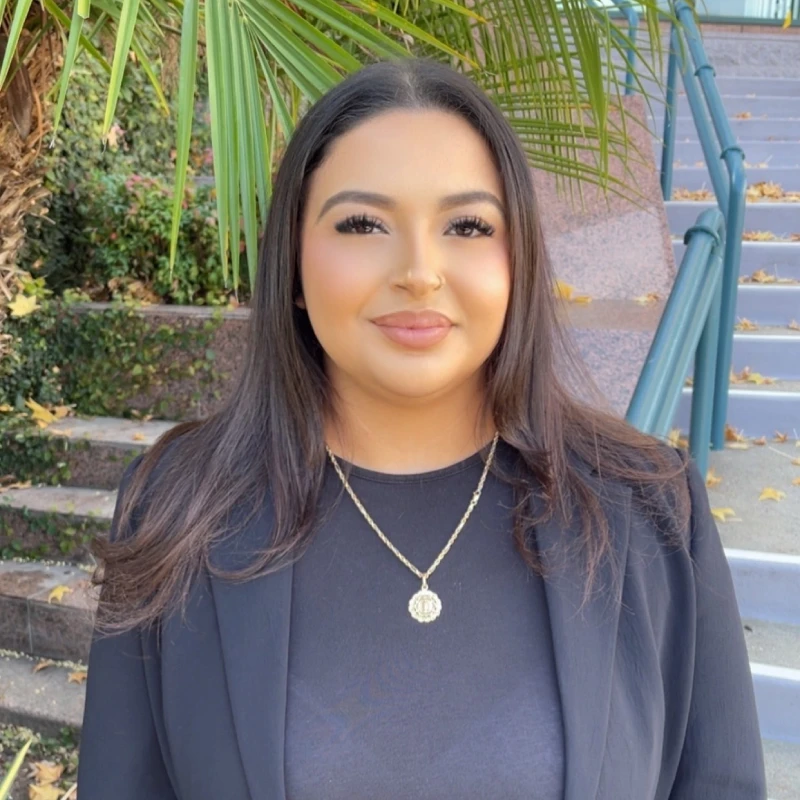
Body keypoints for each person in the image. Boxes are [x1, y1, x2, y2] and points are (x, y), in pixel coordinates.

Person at [76, 56, 767, 799]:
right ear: (294, 264)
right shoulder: (177, 507)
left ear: (518, 261)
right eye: (362, 223)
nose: (419, 270)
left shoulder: (650, 508)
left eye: (467, 225)